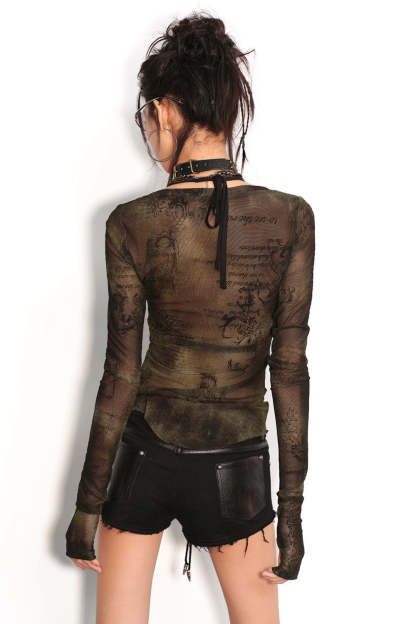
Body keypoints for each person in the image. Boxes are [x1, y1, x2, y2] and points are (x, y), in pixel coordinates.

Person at [65, 11, 315, 623]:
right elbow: (289, 372)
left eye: (147, 119)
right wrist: (290, 516)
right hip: (239, 468)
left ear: (165, 110)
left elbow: (120, 374)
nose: (149, 133)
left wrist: (87, 508)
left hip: (144, 458)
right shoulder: (291, 217)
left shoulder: (131, 222)